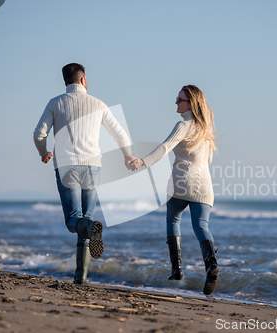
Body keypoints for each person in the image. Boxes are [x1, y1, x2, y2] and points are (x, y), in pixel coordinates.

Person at [33, 63, 136, 284]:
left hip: (66, 166)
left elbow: (38, 134)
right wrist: (128, 156)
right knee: (85, 218)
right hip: (93, 166)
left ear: (65, 82)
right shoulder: (98, 104)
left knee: (73, 221)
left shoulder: (55, 103)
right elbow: (121, 134)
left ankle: (87, 241)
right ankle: (81, 277)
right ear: (83, 80)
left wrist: (44, 152)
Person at [130, 85, 219, 295]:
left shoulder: (183, 125)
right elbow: (208, 160)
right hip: (205, 186)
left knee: (173, 220)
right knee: (201, 226)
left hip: (181, 183)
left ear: (191, 104)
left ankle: (177, 269)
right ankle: (212, 265)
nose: (176, 103)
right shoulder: (206, 131)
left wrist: (143, 161)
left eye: (179, 100)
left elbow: (165, 147)